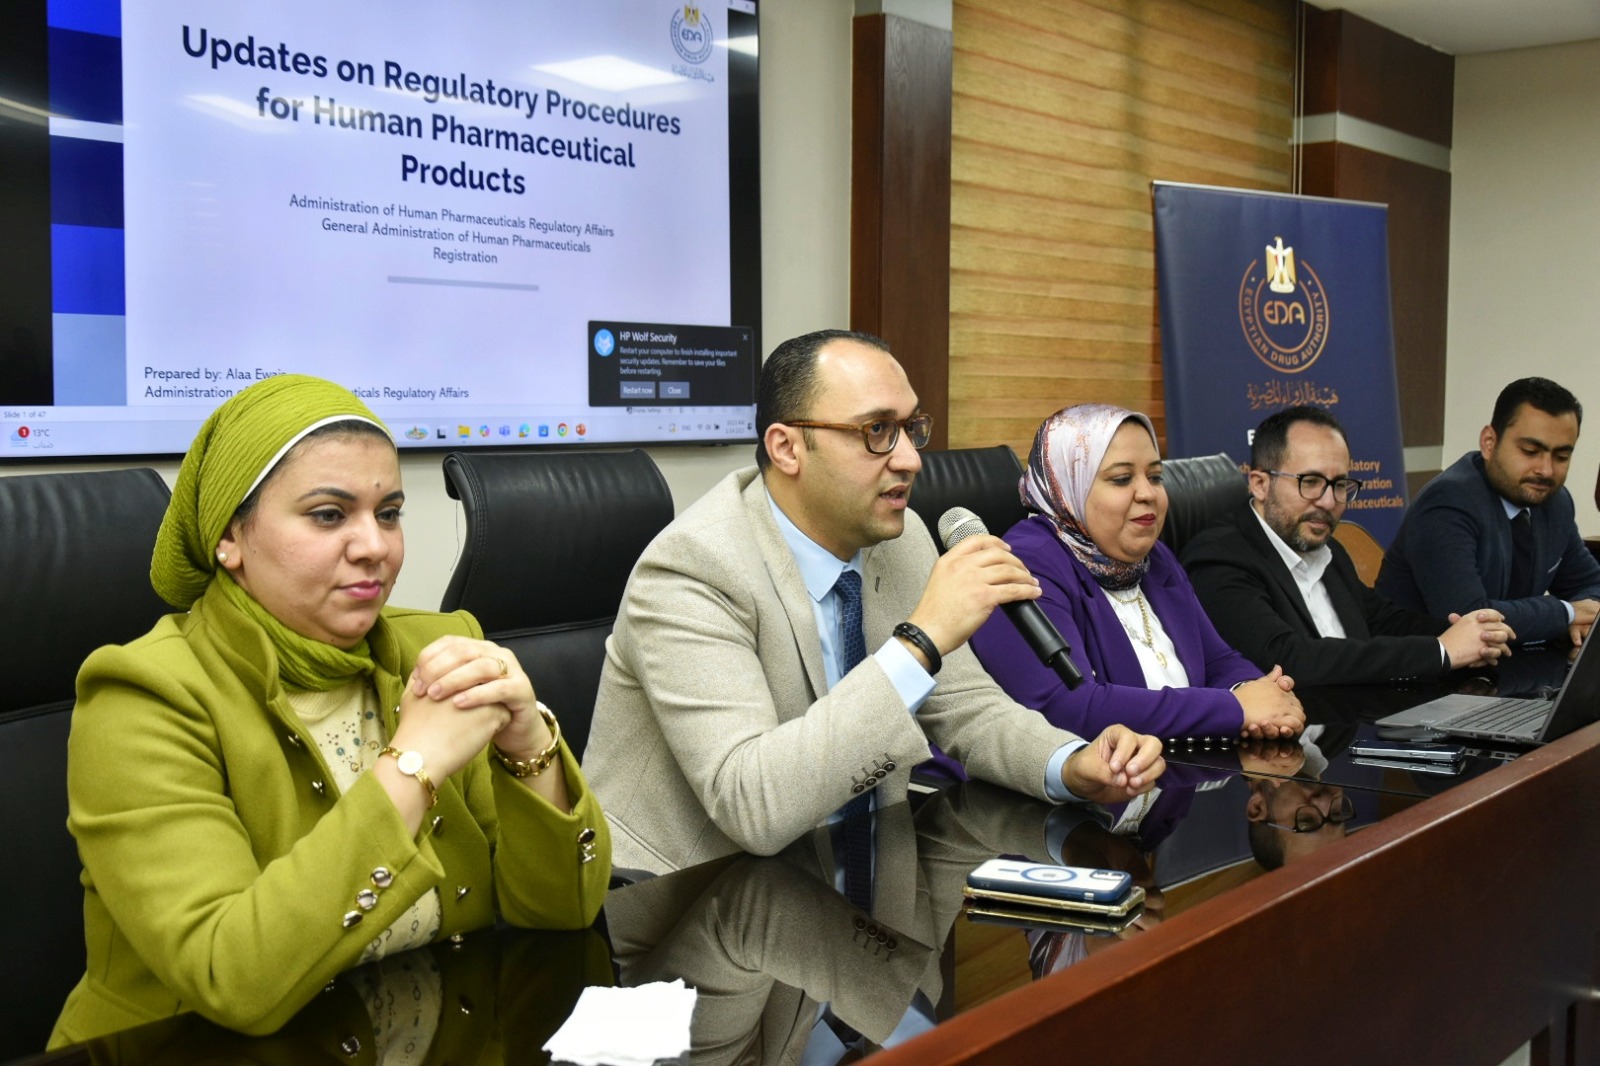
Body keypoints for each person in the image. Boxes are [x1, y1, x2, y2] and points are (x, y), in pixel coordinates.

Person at [50, 375, 610, 1047]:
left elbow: (563, 916)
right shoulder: (143, 694)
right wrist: (412, 765)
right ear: (229, 537)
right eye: (328, 514)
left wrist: (528, 748)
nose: (374, 545)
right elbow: (233, 979)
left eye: (389, 513)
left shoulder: (437, 650)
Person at [583, 330, 1165, 873]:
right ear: (787, 448)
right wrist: (922, 640)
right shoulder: (692, 569)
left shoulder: (900, 537)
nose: (910, 458)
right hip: (693, 897)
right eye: (877, 431)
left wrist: (1070, 764)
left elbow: (966, 707)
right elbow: (751, 804)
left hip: (852, 871)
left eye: (911, 429)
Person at [968, 403, 1304, 742]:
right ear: (1068, 486)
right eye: (1121, 479)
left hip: (1178, 765)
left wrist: (1258, 694)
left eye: (1155, 477)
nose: (1147, 493)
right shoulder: (1024, 564)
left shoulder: (1153, 557)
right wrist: (1233, 709)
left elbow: (1218, 660)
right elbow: (1066, 709)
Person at [1182, 406, 1514, 686]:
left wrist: (1469, 635)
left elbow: (1383, 622)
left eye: (1340, 485)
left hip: (1350, 723)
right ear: (1260, 484)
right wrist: (1441, 651)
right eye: (1311, 482)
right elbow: (1286, 660)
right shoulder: (1218, 559)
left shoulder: (1328, 552)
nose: (1329, 502)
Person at [1377, 377, 1600, 647]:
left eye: (1561, 456)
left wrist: (1583, 616)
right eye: (1530, 451)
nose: (1546, 470)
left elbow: (1592, 586)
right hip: (1421, 668)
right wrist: (1568, 613)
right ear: (1489, 442)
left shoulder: (1555, 502)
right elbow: (1471, 619)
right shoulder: (1446, 502)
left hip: (1509, 664)